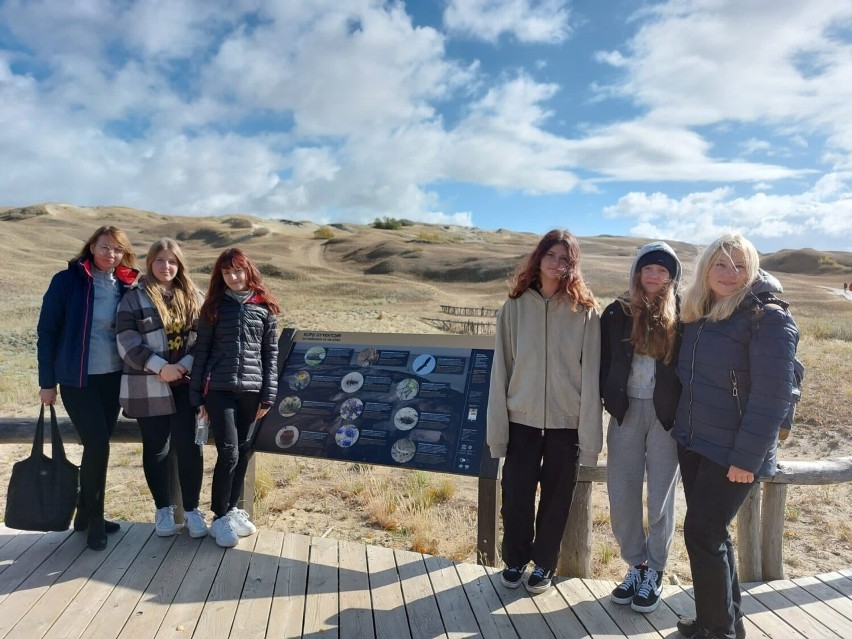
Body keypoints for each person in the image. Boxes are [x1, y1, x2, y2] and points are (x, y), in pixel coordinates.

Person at [672, 234, 798, 639]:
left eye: (740, 266)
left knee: (702, 533)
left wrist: (746, 458)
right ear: (706, 268)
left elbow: (773, 396)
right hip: (696, 441)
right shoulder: (702, 312)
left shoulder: (767, 318)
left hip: (733, 451)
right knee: (714, 536)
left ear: (752, 270)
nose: (729, 274)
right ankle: (721, 622)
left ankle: (719, 630)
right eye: (721, 264)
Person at [487, 229, 603, 594]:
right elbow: (501, 371)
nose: (557, 264)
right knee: (516, 494)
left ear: (573, 265)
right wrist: (498, 433)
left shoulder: (585, 313)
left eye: (566, 259)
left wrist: (589, 441)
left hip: (565, 425)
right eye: (552, 255)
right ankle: (516, 559)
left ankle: (545, 564)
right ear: (538, 257)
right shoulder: (514, 308)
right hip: (520, 421)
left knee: (556, 500)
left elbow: (592, 379)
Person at [37, 226, 139, 550]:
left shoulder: (126, 285)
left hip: (112, 378)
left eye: (118, 250)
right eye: (105, 247)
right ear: (92, 246)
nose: (111, 254)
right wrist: (46, 382)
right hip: (77, 379)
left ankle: (84, 513)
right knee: (99, 446)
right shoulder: (67, 281)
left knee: (99, 446)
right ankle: (95, 519)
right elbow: (47, 332)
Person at [600, 242, 683, 614]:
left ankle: (657, 571)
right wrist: (607, 398)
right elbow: (600, 360)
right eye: (648, 268)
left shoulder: (685, 314)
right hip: (625, 411)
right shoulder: (616, 312)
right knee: (621, 490)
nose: (654, 275)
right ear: (637, 271)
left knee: (662, 496)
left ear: (671, 277)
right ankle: (636, 565)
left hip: (666, 415)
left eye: (662, 271)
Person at [116, 238, 208, 539]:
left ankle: (193, 510)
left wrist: (184, 365)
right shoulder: (134, 297)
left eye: (171, 261)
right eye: (159, 260)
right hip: (147, 384)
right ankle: (163, 509)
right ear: (150, 263)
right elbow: (127, 342)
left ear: (179, 264)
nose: (166, 266)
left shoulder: (194, 295)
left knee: (190, 447)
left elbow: (205, 337)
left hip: (186, 384)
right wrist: (160, 367)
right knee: (156, 448)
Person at [190, 248, 279, 548]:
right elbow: (201, 351)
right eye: (227, 273)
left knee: (243, 450)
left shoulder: (264, 309)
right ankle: (219, 517)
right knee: (228, 451)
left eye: (238, 271)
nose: (234, 277)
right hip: (219, 389)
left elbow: (271, 356)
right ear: (221, 276)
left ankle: (233, 509)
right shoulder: (214, 307)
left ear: (248, 271)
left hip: (252, 392)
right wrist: (196, 396)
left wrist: (268, 395)